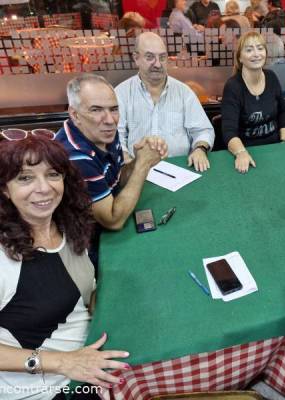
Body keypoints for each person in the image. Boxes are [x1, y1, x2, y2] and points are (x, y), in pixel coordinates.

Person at [0, 136, 129, 399]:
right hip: (41, 390)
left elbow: (80, 290)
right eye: (25, 178)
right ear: (5, 189)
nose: (44, 188)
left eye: (52, 174)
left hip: (89, 360)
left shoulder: (67, 226)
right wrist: (64, 362)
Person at [56, 73, 167, 267]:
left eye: (114, 109)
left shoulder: (104, 132)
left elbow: (117, 179)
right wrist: (142, 166)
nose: (109, 120)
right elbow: (113, 220)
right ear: (74, 114)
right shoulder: (76, 157)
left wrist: (140, 159)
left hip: (102, 223)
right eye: (96, 110)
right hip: (79, 248)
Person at [115, 32, 215, 172]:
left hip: (180, 169)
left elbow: (203, 130)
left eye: (162, 57)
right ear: (136, 58)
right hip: (137, 170)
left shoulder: (184, 92)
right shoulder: (121, 93)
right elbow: (116, 135)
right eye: (150, 57)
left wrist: (200, 149)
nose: (157, 64)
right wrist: (127, 161)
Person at [221, 31, 285, 173]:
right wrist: (241, 152)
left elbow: (283, 111)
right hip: (247, 153)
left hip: (274, 149)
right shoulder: (233, 86)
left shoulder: (271, 77)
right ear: (240, 57)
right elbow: (228, 131)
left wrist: (284, 142)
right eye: (249, 50)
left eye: (260, 48)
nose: (256, 54)